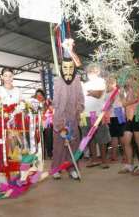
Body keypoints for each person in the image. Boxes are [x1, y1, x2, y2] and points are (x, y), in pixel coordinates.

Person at [51, 44, 84, 179]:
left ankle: (72, 168)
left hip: (73, 117)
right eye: (65, 67)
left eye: (70, 67)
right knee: (58, 144)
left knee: (73, 144)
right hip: (60, 118)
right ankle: (56, 169)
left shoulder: (77, 80)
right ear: (61, 68)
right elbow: (56, 102)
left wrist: (78, 109)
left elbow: (81, 98)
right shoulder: (57, 81)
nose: (68, 70)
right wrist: (59, 121)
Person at [82, 64, 111, 169]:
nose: (90, 73)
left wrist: (89, 92)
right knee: (89, 138)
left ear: (98, 71)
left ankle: (104, 160)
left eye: (93, 71)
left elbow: (98, 94)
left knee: (101, 138)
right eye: (89, 71)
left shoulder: (101, 81)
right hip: (85, 114)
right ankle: (94, 159)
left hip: (98, 114)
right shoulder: (85, 84)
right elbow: (81, 98)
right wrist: (91, 92)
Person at [118, 76, 139, 175]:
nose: (125, 80)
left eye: (127, 77)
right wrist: (122, 95)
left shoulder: (138, 87)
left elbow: (130, 102)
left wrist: (123, 100)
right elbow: (124, 103)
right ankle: (129, 165)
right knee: (126, 140)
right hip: (129, 117)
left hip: (138, 115)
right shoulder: (128, 90)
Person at [105, 75, 125, 162]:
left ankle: (125, 154)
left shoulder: (119, 91)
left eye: (112, 82)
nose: (110, 84)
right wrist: (110, 101)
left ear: (115, 83)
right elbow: (106, 106)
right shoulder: (105, 94)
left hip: (119, 113)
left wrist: (121, 91)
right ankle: (114, 155)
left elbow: (123, 100)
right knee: (113, 136)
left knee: (122, 135)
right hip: (111, 116)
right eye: (108, 82)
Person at [35, 89, 53, 159]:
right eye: (37, 95)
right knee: (39, 138)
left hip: (47, 122)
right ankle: (42, 153)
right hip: (38, 123)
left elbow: (52, 110)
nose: (39, 96)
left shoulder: (47, 102)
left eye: (40, 95)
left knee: (49, 137)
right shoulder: (35, 103)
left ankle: (49, 153)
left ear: (43, 95)